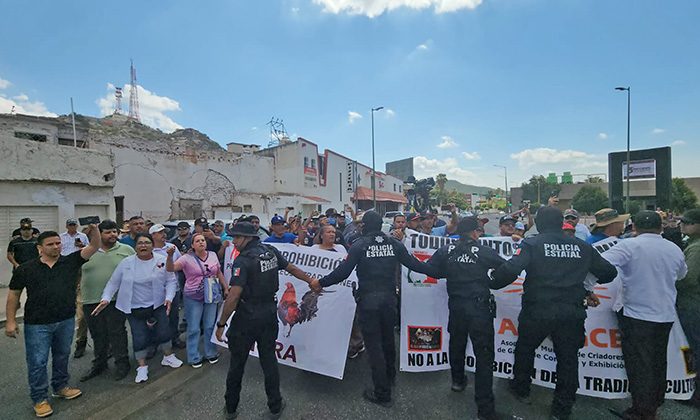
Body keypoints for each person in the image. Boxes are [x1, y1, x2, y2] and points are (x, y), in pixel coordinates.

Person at [490, 206, 618, 420]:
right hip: (571, 311)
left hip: (537, 309)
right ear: (561, 223)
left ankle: (521, 389)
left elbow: (511, 270)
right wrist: (585, 287)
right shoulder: (582, 247)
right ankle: (562, 408)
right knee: (568, 359)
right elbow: (609, 273)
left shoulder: (532, 243)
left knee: (525, 349)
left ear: (539, 223)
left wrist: (493, 283)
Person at [310, 211, 440, 407]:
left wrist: (321, 282)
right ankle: (390, 379)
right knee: (388, 341)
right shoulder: (394, 244)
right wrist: (439, 271)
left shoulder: (359, 245)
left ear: (364, 226)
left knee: (374, 346)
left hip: (369, 301)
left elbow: (343, 272)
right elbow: (415, 265)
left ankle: (382, 393)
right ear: (381, 225)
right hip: (389, 300)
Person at [215, 221, 315, 420]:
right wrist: (311, 281)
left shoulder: (243, 261)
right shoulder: (270, 251)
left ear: (248, 237)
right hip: (269, 314)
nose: (233, 241)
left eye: (236, 237)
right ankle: (275, 405)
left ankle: (231, 408)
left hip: (246, 317)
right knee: (269, 361)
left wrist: (221, 323)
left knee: (237, 364)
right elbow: (292, 268)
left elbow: (233, 295)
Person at [5, 226, 101, 418]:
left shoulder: (70, 261)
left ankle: (61, 386)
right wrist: (10, 321)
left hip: (65, 320)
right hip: (37, 324)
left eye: (58, 243)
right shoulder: (26, 268)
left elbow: (94, 247)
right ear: (40, 248)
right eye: (50, 244)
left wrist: (95, 230)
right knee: (38, 362)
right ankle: (39, 398)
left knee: (62, 356)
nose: (56, 247)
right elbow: (13, 296)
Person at [601, 211, 688, 419]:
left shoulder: (629, 246)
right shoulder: (673, 248)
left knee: (639, 364)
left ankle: (642, 410)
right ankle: (655, 402)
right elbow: (681, 274)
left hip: (636, 314)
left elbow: (602, 264)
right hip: (665, 314)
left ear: (634, 228)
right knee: (658, 360)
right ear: (661, 228)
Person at [424, 217, 506, 420]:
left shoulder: (447, 250)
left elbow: (429, 268)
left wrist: (446, 272)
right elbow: (507, 268)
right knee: (484, 356)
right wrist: (492, 282)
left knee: (457, 343)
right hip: (479, 308)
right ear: (474, 232)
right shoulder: (484, 251)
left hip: (457, 306)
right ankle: (485, 410)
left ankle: (457, 381)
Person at [95, 233, 183, 383]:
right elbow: (113, 283)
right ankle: (142, 367)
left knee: (164, 331)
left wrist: (169, 298)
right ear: (135, 247)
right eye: (140, 243)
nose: (143, 245)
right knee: (139, 336)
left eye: (147, 243)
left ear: (152, 246)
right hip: (134, 307)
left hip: (158, 304)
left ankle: (168, 356)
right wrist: (105, 299)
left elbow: (170, 282)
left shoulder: (161, 260)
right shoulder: (126, 263)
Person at [79, 220, 134, 382]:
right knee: (98, 334)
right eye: (108, 232)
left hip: (116, 300)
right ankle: (100, 364)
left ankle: (122, 364)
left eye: (114, 232)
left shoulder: (127, 250)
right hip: (91, 299)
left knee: (117, 332)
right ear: (99, 234)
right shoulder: (87, 252)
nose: (113, 235)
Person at [167, 232, 228, 367]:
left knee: (209, 325)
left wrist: (225, 287)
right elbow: (170, 268)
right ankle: (194, 356)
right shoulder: (186, 259)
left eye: (203, 240)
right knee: (194, 328)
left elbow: (218, 272)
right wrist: (170, 257)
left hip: (211, 294)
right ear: (192, 245)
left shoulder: (212, 255)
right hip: (193, 296)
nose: (201, 243)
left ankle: (210, 352)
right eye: (197, 241)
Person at [677, 208, 700, 407]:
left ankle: (697, 394)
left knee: (695, 347)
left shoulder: (696, 248)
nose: (682, 224)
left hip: (692, 303)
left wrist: (669, 283)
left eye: (688, 221)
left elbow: (688, 278)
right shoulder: (692, 245)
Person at [150, 224, 186, 349]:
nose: (164, 234)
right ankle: (154, 343)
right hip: (154, 290)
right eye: (160, 232)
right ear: (152, 235)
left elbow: (181, 263)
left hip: (173, 288)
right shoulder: (148, 249)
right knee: (154, 318)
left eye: (164, 232)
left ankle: (174, 338)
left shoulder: (172, 247)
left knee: (173, 316)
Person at [59, 218, 91, 358]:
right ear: (67, 226)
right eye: (70, 225)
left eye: (74, 225)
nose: (72, 227)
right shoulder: (61, 237)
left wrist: (81, 245)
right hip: (65, 267)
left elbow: (89, 249)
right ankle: (80, 341)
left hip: (80, 265)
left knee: (82, 313)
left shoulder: (82, 236)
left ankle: (81, 342)